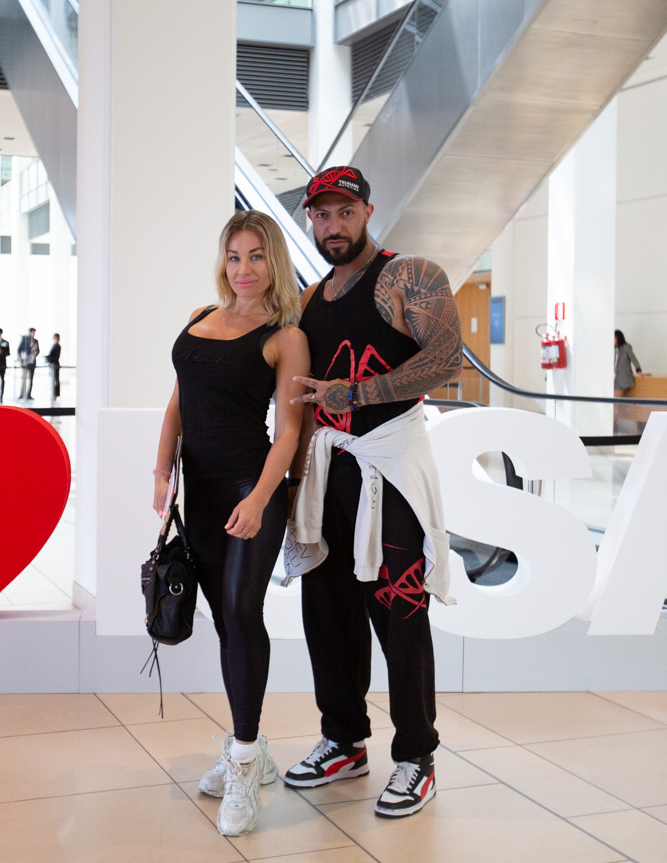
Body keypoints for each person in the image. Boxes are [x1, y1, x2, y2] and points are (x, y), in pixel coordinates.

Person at [282, 166, 460, 820]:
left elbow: (446, 360)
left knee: (400, 611)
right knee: (327, 613)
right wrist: (290, 483)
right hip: (327, 473)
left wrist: (355, 393)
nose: (334, 225)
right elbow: (302, 399)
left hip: (388, 469)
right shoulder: (310, 298)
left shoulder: (409, 275)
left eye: (345, 211)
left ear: (367, 211)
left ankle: (416, 755)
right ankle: (344, 739)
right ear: (311, 219)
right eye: (322, 214)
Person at [152, 210, 309, 837]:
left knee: (242, 613)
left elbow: (290, 431)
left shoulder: (285, 335)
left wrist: (263, 498)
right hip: (201, 493)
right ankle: (254, 746)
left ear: (275, 263)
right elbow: (178, 405)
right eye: (235, 255)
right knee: (225, 619)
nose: (243, 269)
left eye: (257, 256)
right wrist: (161, 473)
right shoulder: (199, 318)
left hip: (251, 487)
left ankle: (244, 759)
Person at [613, 329, 642, 396]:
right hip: (616, 378)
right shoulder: (614, 349)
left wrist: (639, 371)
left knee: (616, 397)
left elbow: (633, 359)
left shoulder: (626, 347)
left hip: (623, 377)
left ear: (617, 338)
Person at [17, 327, 39, 400]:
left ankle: (29, 394)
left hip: (32, 362)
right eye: (32, 332)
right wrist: (21, 359)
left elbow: (38, 350)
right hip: (25, 362)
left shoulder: (36, 341)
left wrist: (35, 353)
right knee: (24, 379)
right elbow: (20, 349)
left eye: (34, 332)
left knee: (31, 379)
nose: (33, 334)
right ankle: (22, 394)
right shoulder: (25, 339)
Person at [0, 328, 11, 403]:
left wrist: (1, 352)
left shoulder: (5, 342)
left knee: (2, 380)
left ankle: (1, 397)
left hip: (2, 364)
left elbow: (8, 353)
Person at [46, 333, 62, 400]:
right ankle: (54, 393)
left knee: (56, 379)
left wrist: (50, 359)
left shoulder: (58, 346)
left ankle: (56, 394)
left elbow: (56, 357)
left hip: (55, 365)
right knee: (53, 379)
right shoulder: (53, 345)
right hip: (52, 365)